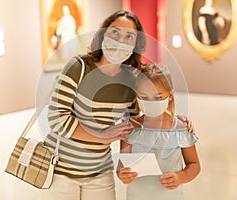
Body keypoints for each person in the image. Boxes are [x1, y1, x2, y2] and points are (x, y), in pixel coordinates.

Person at [43, 10, 193, 200]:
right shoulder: (79, 67)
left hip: (100, 173)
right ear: (103, 34)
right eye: (115, 32)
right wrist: (101, 136)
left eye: (129, 36)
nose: (120, 40)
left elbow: (138, 122)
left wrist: (174, 119)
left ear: (135, 45)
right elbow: (56, 118)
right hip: (61, 170)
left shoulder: (130, 80)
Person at [117, 64, 201, 200]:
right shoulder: (131, 129)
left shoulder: (180, 129)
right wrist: (121, 173)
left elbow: (194, 165)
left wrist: (180, 177)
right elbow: (123, 163)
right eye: (144, 97)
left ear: (170, 96)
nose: (151, 102)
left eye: (158, 97)